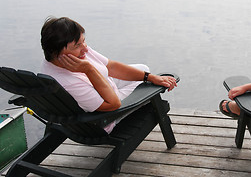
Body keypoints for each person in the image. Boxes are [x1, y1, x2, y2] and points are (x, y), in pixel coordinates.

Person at [40, 16, 177, 133]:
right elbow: (113, 104)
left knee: (144, 70)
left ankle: (147, 79)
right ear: (55, 52)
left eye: (83, 41)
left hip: (105, 87)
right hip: (105, 117)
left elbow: (110, 66)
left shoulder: (70, 56)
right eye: (77, 46)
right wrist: (88, 69)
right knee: (147, 87)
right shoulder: (66, 82)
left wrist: (151, 77)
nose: (85, 49)